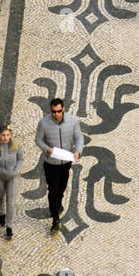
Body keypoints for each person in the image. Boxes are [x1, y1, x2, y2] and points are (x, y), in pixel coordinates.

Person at [34, 97, 83, 233]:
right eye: (54, 112)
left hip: (65, 162)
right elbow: (38, 139)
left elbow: (79, 137)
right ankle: (55, 218)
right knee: (53, 190)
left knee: (61, 189)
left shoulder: (73, 121)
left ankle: (57, 204)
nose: (56, 114)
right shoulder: (44, 123)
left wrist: (78, 151)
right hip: (50, 163)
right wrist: (46, 149)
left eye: (59, 111)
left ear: (63, 109)